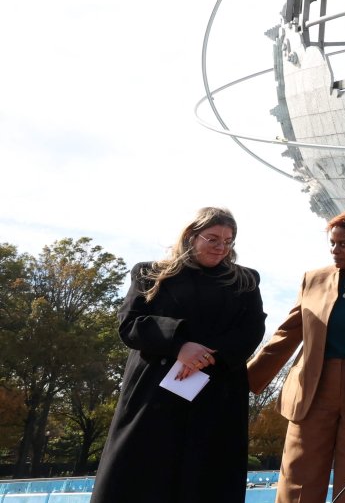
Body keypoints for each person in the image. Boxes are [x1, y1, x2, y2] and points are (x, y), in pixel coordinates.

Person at [92, 207, 266, 503]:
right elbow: (130, 324)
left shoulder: (245, 281)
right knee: (139, 475)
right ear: (190, 237)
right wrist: (179, 345)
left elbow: (251, 330)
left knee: (206, 479)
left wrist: (204, 358)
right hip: (154, 392)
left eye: (228, 240)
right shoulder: (150, 273)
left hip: (217, 390)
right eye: (212, 238)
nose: (221, 247)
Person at [246, 205, 345, 503]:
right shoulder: (313, 279)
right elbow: (287, 334)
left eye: (343, 244)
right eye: (332, 243)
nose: (335, 250)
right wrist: (245, 378)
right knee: (298, 481)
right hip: (311, 391)